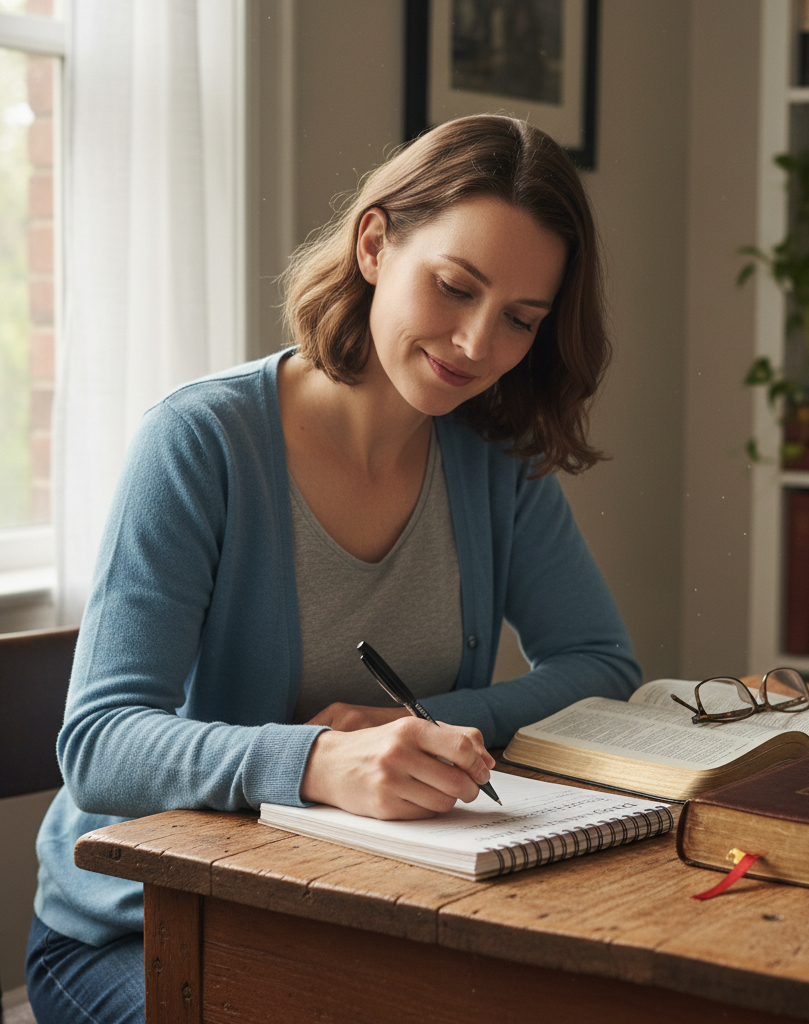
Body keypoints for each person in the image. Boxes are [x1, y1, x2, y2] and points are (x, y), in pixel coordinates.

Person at [25, 114, 641, 1024]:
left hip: (371, 915)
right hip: (144, 934)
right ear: (375, 243)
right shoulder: (201, 443)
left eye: (520, 319)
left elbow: (602, 667)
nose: (477, 344)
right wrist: (318, 761)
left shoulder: (496, 460)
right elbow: (100, 745)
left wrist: (423, 728)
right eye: (454, 287)